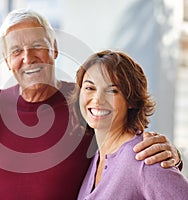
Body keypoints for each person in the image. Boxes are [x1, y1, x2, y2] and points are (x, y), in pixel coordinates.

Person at [0, 9, 182, 200]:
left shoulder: (83, 101)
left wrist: (170, 155)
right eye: (16, 50)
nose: (28, 58)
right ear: (6, 61)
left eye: (37, 46)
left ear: (54, 49)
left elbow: (126, 143)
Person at [72, 50, 188, 199]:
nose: (98, 99)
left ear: (131, 100)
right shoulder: (98, 154)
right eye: (90, 88)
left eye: (112, 90)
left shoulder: (143, 159)